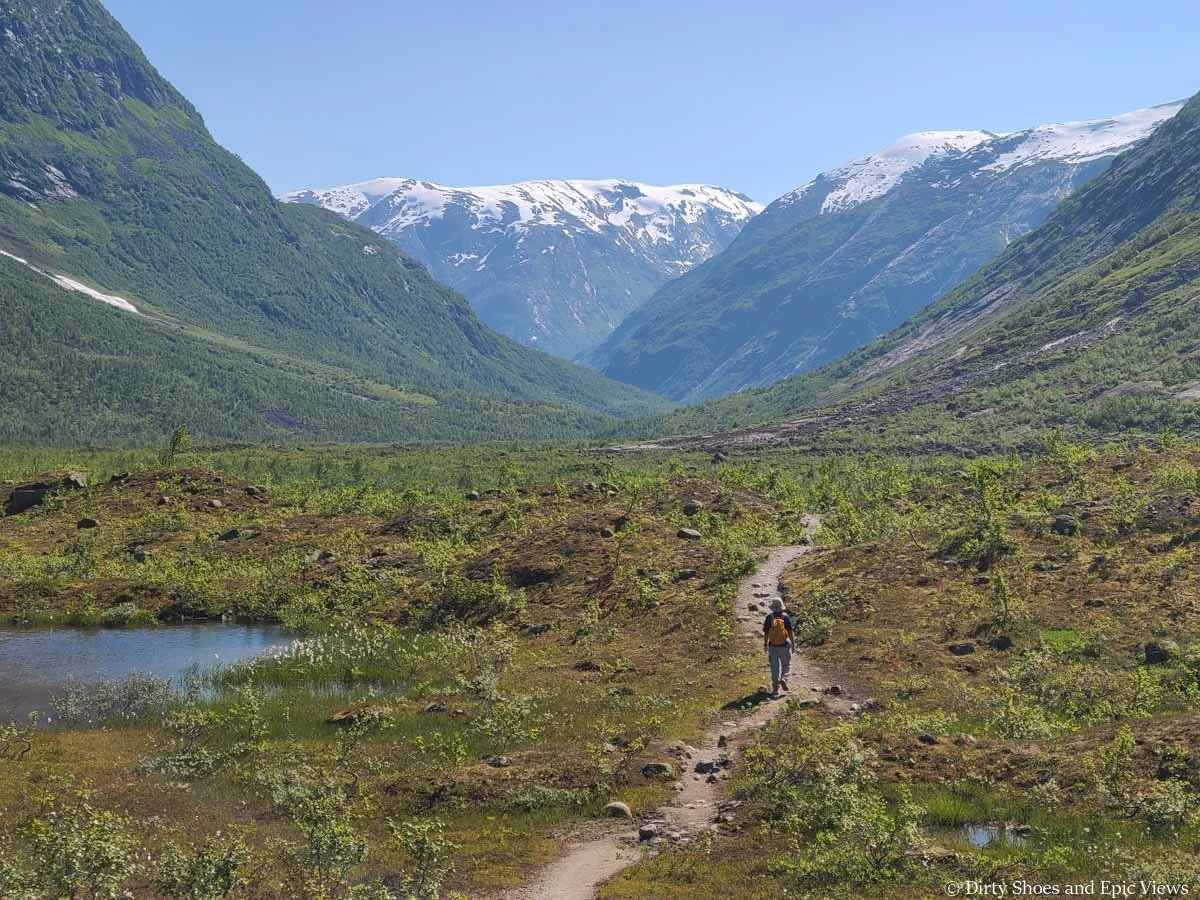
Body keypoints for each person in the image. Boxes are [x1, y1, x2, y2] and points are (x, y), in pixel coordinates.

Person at [762, 597, 795, 699]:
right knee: (786, 665)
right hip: (784, 645)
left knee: (774, 668)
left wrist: (765, 644)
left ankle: (775, 690)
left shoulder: (769, 618)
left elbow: (766, 633)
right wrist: (793, 644)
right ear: (781, 607)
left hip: (773, 646)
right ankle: (784, 678)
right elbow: (790, 632)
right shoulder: (786, 617)